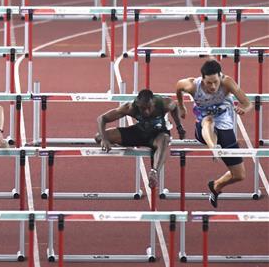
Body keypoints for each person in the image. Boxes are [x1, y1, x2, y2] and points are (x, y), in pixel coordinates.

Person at [175, 59, 252, 207]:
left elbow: (247, 103)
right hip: (203, 128)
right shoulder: (191, 85)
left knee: (239, 175)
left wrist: (244, 110)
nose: (213, 86)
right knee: (208, 120)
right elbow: (178, 88)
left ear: (220, 76)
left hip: (224, 124)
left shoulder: (227, 83)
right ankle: (214, 148)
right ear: (202, 79)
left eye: (215, 82)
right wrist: (181, 106)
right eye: (209, 83)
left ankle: (216, 186)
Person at [95, 89, 184, 188]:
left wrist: (179, 127)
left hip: (157, 135)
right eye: (142, 108)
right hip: (139, 133)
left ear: (153, 102)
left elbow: (175, 107)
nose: (146, 111)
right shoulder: (130, 108)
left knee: (165, 139)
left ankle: (154, 172)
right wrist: (105, 139)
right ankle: (113, 142)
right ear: (137, 104)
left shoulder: (164, 103)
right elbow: (101, 119)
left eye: (149, 107)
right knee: (99, 137)